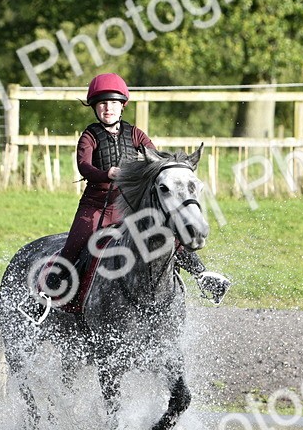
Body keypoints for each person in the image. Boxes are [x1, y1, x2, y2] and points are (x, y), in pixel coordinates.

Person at [50, 72, 228, 304]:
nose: (108, 108)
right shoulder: (89, 136)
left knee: (167, 235)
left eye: (113, 103)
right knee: (74, 247)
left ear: (122, 106)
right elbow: (84, 166)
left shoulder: (135, 134)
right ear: (94, 107)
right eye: (102, 103)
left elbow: (154, 159)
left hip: (131, 206)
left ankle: (202, 275)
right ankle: (46, 297)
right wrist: (106, 174)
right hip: (96, 206)